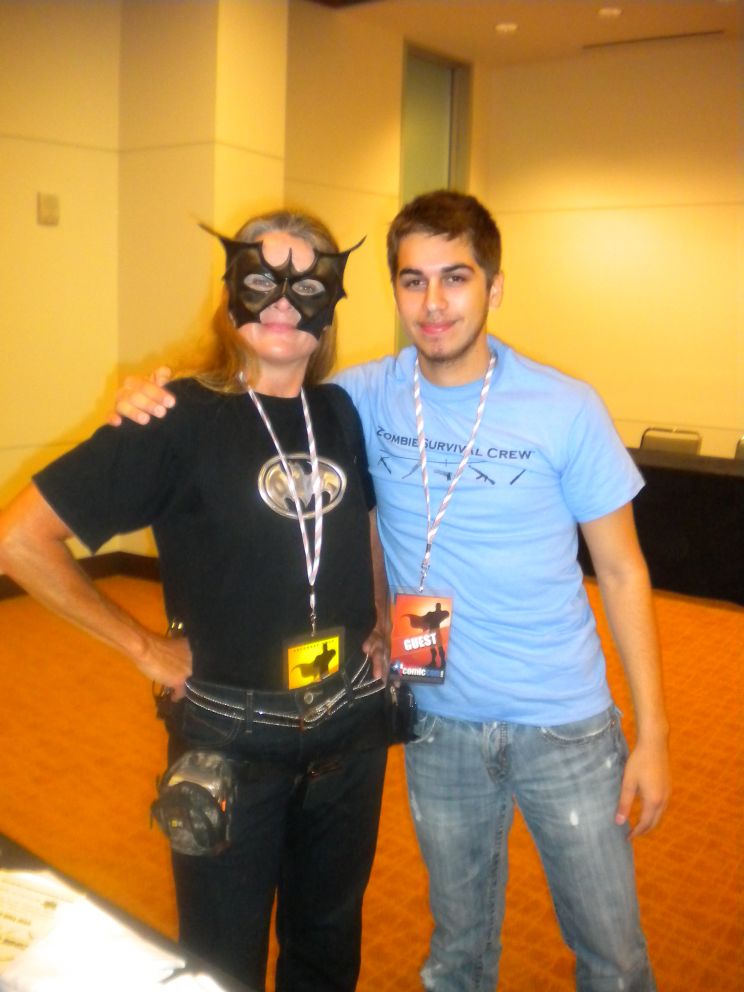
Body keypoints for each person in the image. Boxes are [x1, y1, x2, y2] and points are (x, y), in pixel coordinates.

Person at [109, 190, 671, 992]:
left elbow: (622, 571)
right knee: (456, 956)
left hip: (563, 721)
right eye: (413, 281)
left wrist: (653, 733)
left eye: (456, 278)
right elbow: (270, 406)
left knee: (614, 958)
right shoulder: (359, 399)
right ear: (394, 291)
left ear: (495, 287)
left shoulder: (566, 408)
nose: (434, 303)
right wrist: (150, 396)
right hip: (435, 721)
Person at [0, 209, 391, 992]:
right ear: (228, 293)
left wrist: (379, 616)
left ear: (333, 304)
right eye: (261, 279)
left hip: (349, 728)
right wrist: (144, 647)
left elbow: (364, 522)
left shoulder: (338, 411)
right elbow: (20, 540)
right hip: (230, 738)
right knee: (221, 960)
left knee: (328, 941)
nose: (283, 303)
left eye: (307, 285)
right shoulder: (173, 417)